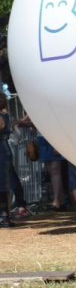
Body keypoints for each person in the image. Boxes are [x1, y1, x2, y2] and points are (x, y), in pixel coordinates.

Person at [0, 94, 14, 228]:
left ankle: (5, 216)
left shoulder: (2, 116)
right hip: (4, 148)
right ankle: (6, 215)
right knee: (4, 183)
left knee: (3, 184)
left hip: (1, 149)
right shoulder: (6, 114)